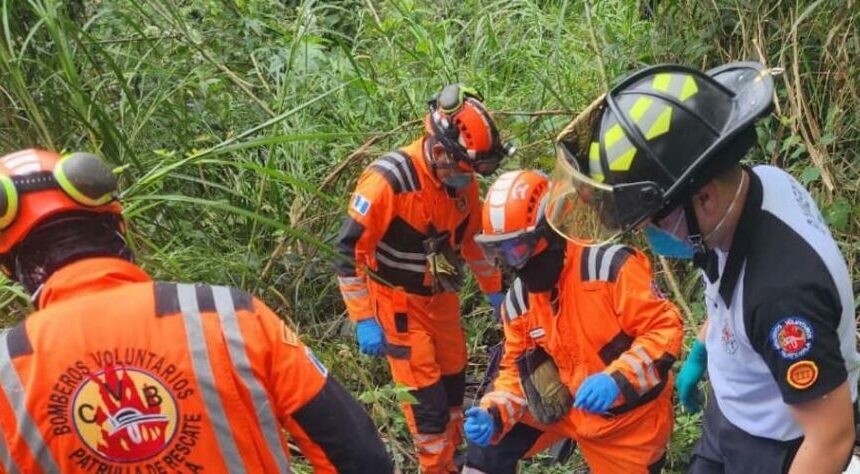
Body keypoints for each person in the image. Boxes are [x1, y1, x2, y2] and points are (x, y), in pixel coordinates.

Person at [545, 61, 860, 473]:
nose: (650, 238)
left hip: (776, 445)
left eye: (653, 222)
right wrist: (703, 350)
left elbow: (831, 438)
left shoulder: (783, 295)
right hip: (733, 414)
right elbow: (731, 295)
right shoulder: (755, 189)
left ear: (704, 198)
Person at [0, 149, 394, 473]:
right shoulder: (230, 318)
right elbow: (359, 457)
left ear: (9, 265)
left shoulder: (7, 373)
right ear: (119, 225)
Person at [334, 84, 512, 473]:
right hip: (397, 306)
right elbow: (348, 251)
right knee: (427, 405)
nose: (468, 180)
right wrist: (363, 317)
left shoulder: (461, 187)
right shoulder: (389, 181)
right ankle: (436, 467)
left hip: (440, 300)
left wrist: (495, 293)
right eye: (464, 170)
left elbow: (474, 244)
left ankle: (453, 461)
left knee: (452, 389)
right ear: (439, 150)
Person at [461, 169, 683, 473]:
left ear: (547, 231)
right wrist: (493, 412)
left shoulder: (609, 267)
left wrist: (615, 380)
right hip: (563, 409)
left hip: (625, 425)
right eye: (499, 253)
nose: (511, 264)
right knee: (488, 445)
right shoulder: (518, 301)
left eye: (516, 249)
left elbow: (664, 330)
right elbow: (515, 370)